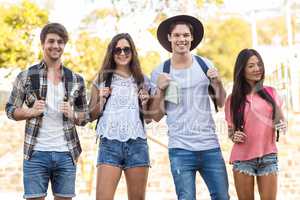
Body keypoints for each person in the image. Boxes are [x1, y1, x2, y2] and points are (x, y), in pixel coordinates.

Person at [5, 23, 89, 200]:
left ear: (64, 45)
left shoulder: (76, 79)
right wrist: (29, 112)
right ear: (43, 43)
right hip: (35, 153)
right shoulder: (26, 76)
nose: (55, 45)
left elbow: (85, 117)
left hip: (67, 153)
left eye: (60, 42)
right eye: (51, 41)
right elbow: (10, 109)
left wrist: (72, 114)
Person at [150, 15, 229, 200]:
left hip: (210, 146)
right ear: (169, 38)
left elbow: (221, 102)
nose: (181, 39)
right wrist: (160, 90)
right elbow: (156, 115)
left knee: (222, 196)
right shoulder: (161, 71)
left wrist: (217, 82)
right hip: (180, 149)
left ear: (192, 38)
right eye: (176, 35)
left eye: (185, 35)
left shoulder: (205, 65)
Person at [89, 33, 151, 200]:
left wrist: (145, 103)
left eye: (126, 49)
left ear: (132, 52)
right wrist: (101, 99)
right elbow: (90, 115)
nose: (122, 53)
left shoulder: (143, 80)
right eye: (117, 50)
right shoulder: (101, 80)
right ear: (112, 53)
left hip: (137, 144)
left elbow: (149, 118)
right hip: (109, 144)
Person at [224, 48, 286, 200]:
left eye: (259, 64)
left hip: (268, 157)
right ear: (242, 70)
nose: (257, 69)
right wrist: (234, 136)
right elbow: (231, 132)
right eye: (251, 66)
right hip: (243, 159)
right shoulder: (233, 99)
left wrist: (281, 124)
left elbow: (281, 121)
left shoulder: (271, 93)